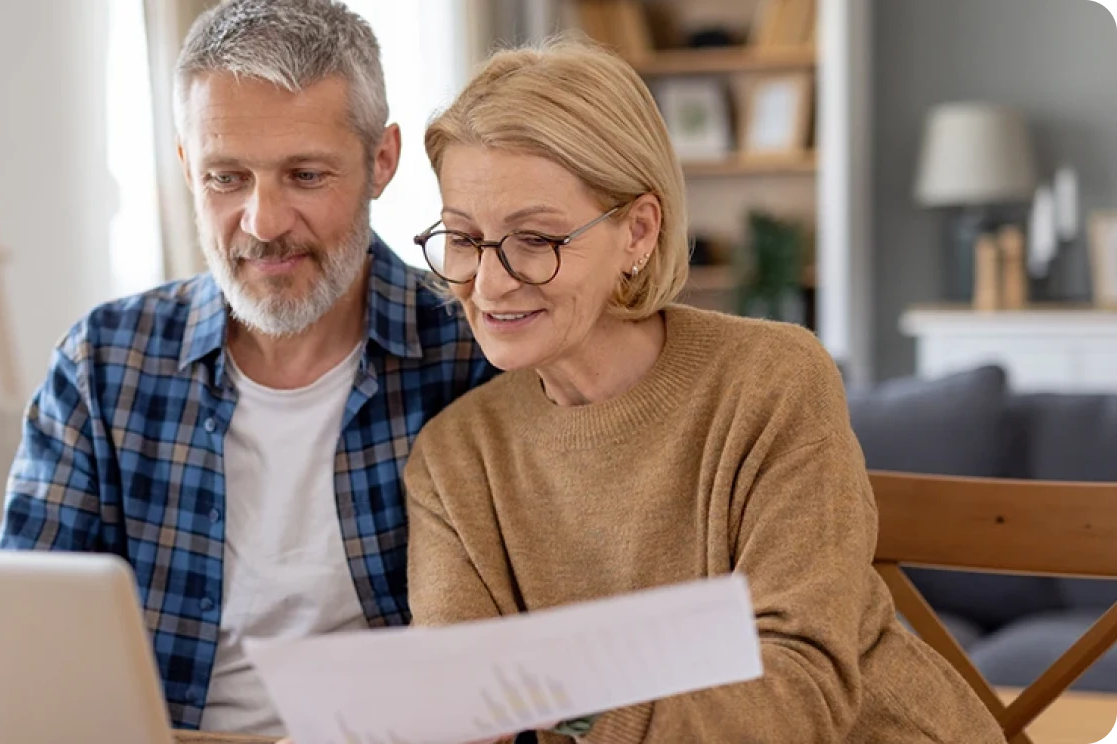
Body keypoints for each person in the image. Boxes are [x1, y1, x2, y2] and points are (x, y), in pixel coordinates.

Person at [399, 39, 1008, 743]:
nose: (489, 281)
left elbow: (799, 691)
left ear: (638, 231)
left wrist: (561, 696)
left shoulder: (773, 380)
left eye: (534, 238)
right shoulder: (453, 459)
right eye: (462, 239)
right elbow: (463, 701)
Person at [0, 0, 494, 737]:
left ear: (381, 161)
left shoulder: (469, 355)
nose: (263, 222)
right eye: (227, 178)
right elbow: (19, 636)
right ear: (186, 166)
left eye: (305, 174)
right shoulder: (103, 365)